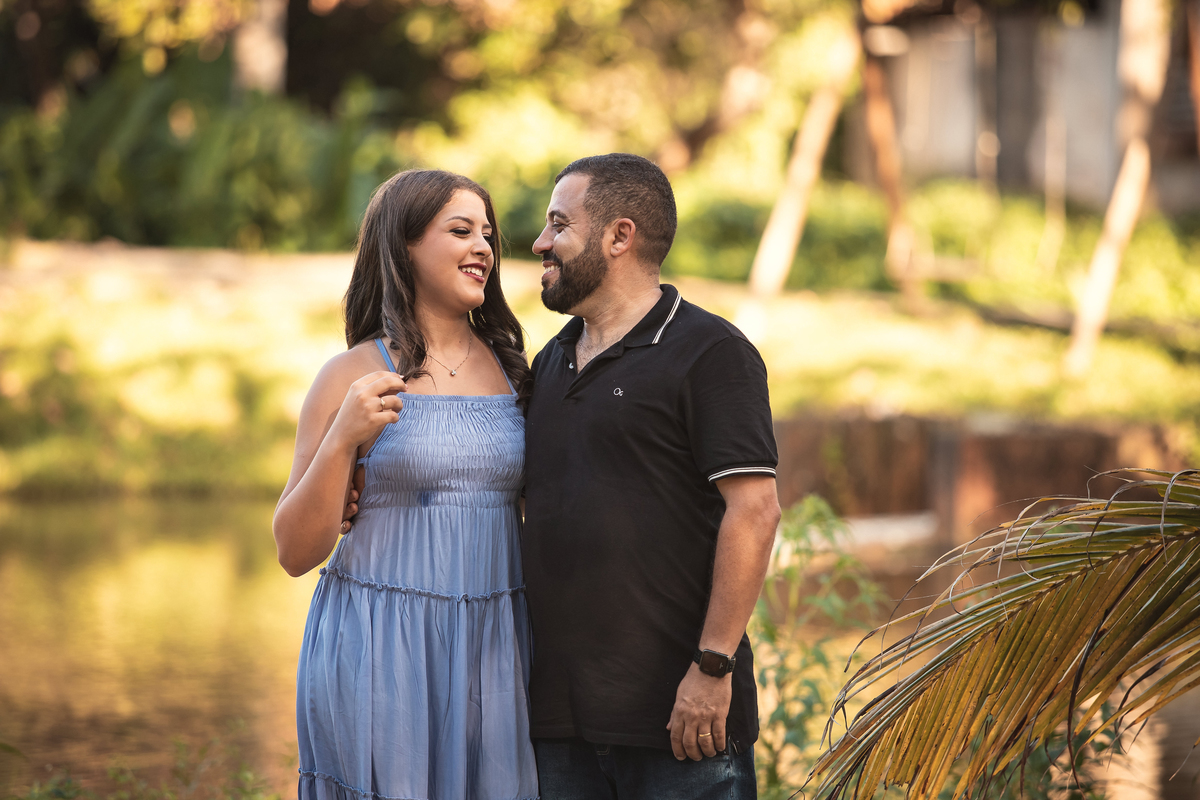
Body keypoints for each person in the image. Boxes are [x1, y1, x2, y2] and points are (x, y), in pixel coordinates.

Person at [521, 153, 782, 799]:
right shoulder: (550, 362)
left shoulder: (710, 353)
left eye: (559, 224)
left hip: (680, 720)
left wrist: (712, 667)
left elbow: (755, 511)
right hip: (559, 722)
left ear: (619, 236)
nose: (539, 243)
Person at [272, 169, 538, 800]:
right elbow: (293, 551)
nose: (483, 248)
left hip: (492, 647)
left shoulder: (518, 373)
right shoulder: (354, 373)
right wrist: (341, 439)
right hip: (379, 646)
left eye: (488, 234)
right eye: (460, 230)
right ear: (405, 247)